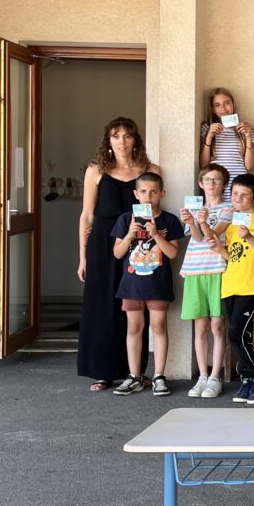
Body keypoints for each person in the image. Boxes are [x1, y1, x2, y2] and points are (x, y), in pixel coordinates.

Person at [77, 117, 158, 390]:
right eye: (116, 136)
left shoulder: (150, 170)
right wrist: (82, 256)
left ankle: (134, 372)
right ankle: (102, 372)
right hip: (102, 243)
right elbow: (87, 215)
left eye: (127, 136)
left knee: (135, 306)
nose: (122, 141)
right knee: (102, 305)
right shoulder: (95, 170)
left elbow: (157, 208)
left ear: (136, 140)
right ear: (108, 141)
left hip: (139, 243)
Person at [110, 171, 183, 395]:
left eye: (153, 192)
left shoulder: (169, 220)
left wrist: (156, 234)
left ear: (162, 194)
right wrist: (130, 235)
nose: (148, 197)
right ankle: (135, 376)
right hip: (132, 284)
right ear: (136, 194)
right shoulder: (126, 219)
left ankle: (159, 376)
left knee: (159, 326)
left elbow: (172, 253)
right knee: (134, 327)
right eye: (143, 192)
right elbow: (117, 253)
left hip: (158, 283)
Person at [221, 172, 254, 406]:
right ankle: (248, 378)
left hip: (252, 285)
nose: (238, 198)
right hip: (230, 283)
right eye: (235, 194)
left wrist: (250, 235)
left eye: (244, 195)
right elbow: (233, 256)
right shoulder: (232, 222)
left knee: (236, 333)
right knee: (243, 334)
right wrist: (218, 249)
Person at [180, 164, 232, 399]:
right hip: (194, 269)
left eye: (217, 180)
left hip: (217, 268)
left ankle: (215, 377)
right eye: (208, 180)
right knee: (199, 327)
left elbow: (213, 235)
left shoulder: (228, 208)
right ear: (200, 183)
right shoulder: (194, 207)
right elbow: (198, 238)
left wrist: (202, 222)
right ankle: (202, 375)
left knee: (217, 325)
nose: (212, 184)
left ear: (224, 184)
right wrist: (192, 222)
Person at [200, 87, 254, 202]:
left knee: (238, 211)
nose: (223, 108)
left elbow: (249, 166)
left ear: (233, 104)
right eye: (217, 105)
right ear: (213, 109)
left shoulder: (245, 128)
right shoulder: (207, 128)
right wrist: (209, 137)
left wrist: (248, 137)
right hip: (216, 182)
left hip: (239, 181)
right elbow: (203, 164)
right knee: (218, 211)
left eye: (227, 103)